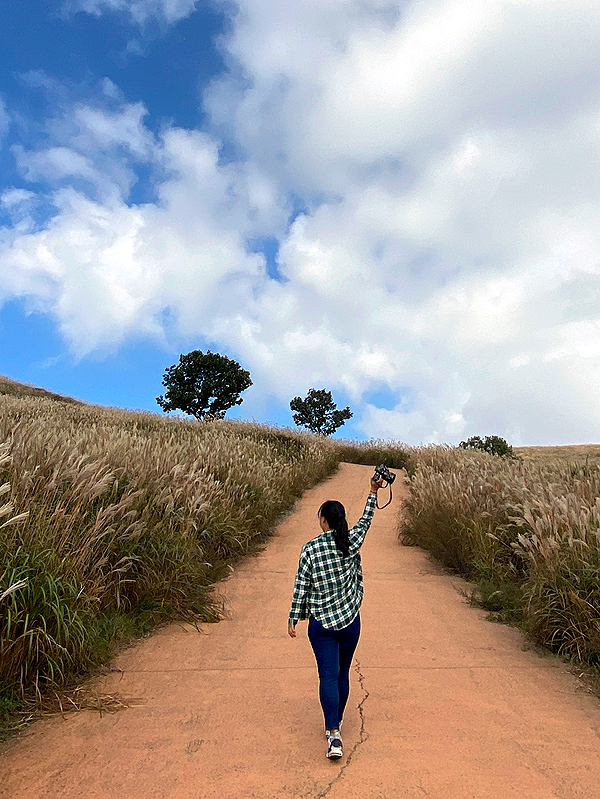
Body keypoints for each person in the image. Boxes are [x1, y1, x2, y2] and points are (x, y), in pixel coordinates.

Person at [288, 474, 383, 759]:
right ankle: (337, 723)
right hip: (350, 622)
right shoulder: (350, 542)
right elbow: (366, 520)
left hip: (321, 627)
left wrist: (294, 617)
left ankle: (333, 735)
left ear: (323, 521)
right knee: (342, 674)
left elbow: (301, 585)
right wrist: (372, 490)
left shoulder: (311, 548)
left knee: (327, 676)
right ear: (341, 520)